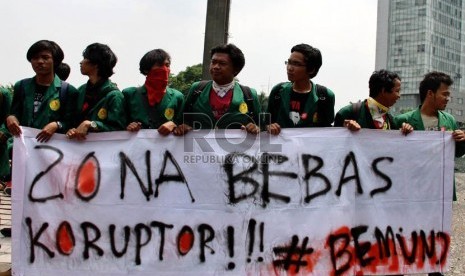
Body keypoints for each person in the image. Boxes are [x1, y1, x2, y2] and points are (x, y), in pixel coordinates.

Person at [395, 72, 465, 205]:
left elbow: (457, 153)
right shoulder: (403, 120)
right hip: (412, 188)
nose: (447, 98)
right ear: (430, 93)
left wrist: (462, 140)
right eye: (444, 94)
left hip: (441, 189)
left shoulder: (449, 120)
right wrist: (401, 135)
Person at [173, 43, 260, 135]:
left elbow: (261, 126)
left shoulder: (249, 95)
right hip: (200, 148)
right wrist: (183, 126)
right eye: (213, 62)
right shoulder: (197, 89)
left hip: (234, 149)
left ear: (236, 69)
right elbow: (182, 120)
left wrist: (255, 128)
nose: (215, 67)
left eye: (222, 64)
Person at [6, 40, 79, 142]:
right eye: (35, 58)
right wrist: (11, 118)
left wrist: (57, 125)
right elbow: (15, 113)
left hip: (53, 150)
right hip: (24, 147)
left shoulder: (68, 91)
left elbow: (72, 123)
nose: (40, 61)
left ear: (55, 61)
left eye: (45, 57)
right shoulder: (21, 86)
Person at [266, 43, 335, 135]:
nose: (289, 68)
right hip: (281, 148)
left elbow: (328, 129)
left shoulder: (325, 96)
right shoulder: (278, 91)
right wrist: (269, 126)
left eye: (296, 64)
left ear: (311, 69)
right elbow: (265, 122)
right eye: (289, 62)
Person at [66, 43, 126, 140]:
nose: (81, 62)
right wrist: (72, 130)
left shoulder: (114, 96)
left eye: (85, 58)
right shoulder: (81, 90)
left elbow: (119, 130)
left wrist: (92, 124)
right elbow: (71, 121)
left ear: (95, 64)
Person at [122, 49, 183, 135]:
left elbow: (184, 124)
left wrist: (174, 124)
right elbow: (117, 124)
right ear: (147, 69)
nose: (165, 69)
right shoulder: (129, 94)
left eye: (167, 65)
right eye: (159, 65)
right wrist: (129, 126)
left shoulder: (177, 96)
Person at [334, 69, 412, 134]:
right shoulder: (348, 113)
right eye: (397, 91)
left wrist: (406, 130)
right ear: (384, 91)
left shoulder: (390, 120)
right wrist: (345, 128)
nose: (399, 96)